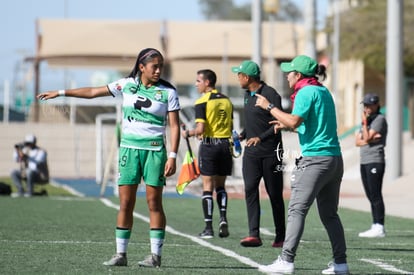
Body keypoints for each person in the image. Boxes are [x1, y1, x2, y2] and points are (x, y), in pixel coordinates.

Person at [37, 48, 180, 268]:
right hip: (128, 151)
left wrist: (172, 156)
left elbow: (174, 126)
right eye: (154, 66)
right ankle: (120, 254)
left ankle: (155, 256)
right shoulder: (126, 84)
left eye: (161, 66)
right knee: (125, 202)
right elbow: (93, 92)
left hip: (154, 152)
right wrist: (61, 92)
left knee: (154, 203)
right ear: (141, 67)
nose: (158, 70)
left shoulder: (168, 92)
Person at [255, 55, 349, 275]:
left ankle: (286, 261)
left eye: (289, 72)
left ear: (298, 75)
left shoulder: (305, 92)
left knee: (296, 210)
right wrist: (286, 124)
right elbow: (311, 126)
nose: (286, 75)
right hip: (334, 159)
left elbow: (295, 120)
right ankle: (341, 264)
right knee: (329, 215)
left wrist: (269, 106)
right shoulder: (322, 91)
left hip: (315, 160)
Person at [231, 60, 286, 248]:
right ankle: (254, 234)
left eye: (239, 75)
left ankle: (281, 237)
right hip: (252, 154)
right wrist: (244, 135)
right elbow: (253, 122)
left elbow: (279, 124)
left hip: (272, 154)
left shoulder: (271, 95)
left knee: (275, 195)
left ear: (247, 77)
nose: (237, 78)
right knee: (250, 190)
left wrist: (260, 138)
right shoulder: (247, 95)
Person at [182, 69, 233, 239]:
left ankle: (209, 228)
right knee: (221, 186)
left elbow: (200, 130)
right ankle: (223, 218)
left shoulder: (202, 101)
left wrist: (188, 133)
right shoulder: (227, 100)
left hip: (210, 145)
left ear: (207, 82)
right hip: (225, 145)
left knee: (207, 187)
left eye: (198, 81)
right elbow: (230, 125)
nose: (196, 84)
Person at [355, 93, 387, 238]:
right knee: (370, 194)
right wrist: (367, 138)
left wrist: (364, 128)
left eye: (369, 105)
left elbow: (365, 138)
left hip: (375, 160)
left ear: (375, 105)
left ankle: (379, 226)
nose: (366, 108)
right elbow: (358, 141)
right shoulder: (368, 121)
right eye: (365, 105)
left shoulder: (379, 119)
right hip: (364, 160)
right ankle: (375, 224)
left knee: (375, 194)